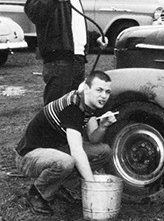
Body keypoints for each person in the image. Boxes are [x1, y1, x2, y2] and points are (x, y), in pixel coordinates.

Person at [15, 71, 116, 216]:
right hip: (28, 156)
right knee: (66, 162)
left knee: (104, 151)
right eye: (99, 90)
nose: (104, 96)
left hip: (55, 149)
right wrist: (92, 185)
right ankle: (37, 193)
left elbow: (94, 139)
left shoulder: (89, 103)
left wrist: (103, 126)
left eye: (107, 91)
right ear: (87, 88)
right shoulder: (73, 107)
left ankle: (60, 184)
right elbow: (77, 151)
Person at [24, 0, 106, 105]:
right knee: (56, 110)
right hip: (59, 63)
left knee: (73, 111)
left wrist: (95, 39)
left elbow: (72, 29)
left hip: (78, 62)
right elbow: (33, 11)